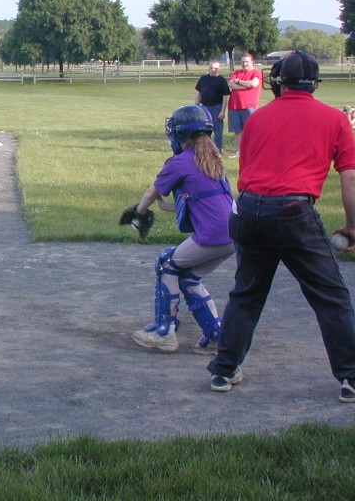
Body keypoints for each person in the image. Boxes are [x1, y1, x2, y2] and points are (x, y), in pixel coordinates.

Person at [207, 51, 355, 403]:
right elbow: (349, 178)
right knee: (331, 297)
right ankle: (351, 377)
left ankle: (224, 371)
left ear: (280, 81)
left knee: (246, 294)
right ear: (315, 83)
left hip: (248, 210)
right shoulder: (335, 119)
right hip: (294, 212)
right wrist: (352, 226)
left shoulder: (258, 118)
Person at [131, 105, 235, 353]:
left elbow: (150, 193)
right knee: (187, 276)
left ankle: (165, 332)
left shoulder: (179, 162)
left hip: (212, 234)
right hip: (234, 232)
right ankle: (216, 336)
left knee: (167, 262)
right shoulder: (213, 159)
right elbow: (196, 200)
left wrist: (139, 213)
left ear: (179, 134)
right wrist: (164, 206)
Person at [226, 53, 261, 158]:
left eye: (247, 62)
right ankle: (239, 152)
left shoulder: (256, 72)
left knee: (250, 130)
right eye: (242, 62)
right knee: (237, 130)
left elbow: (253, 84)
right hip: (234, 105)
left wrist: (239, 82)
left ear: (252, 62)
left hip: (249, 106)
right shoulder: (237, 72)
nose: (244, 64)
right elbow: (230, 84)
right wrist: (245, 86)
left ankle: (252, 151)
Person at [194, 61, 231, 152]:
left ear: (219, 69)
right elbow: (199, 92)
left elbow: (225, 96)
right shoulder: (203, 79)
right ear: (209, 68)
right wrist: (196, 105)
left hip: (217, 108)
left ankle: (217, 150)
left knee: (218, 131)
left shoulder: (221, 80)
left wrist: (223, 111)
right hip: (205, 107)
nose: (213, 70)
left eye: (215, 68)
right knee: (204, 130)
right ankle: (206, 150)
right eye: (211, 68)